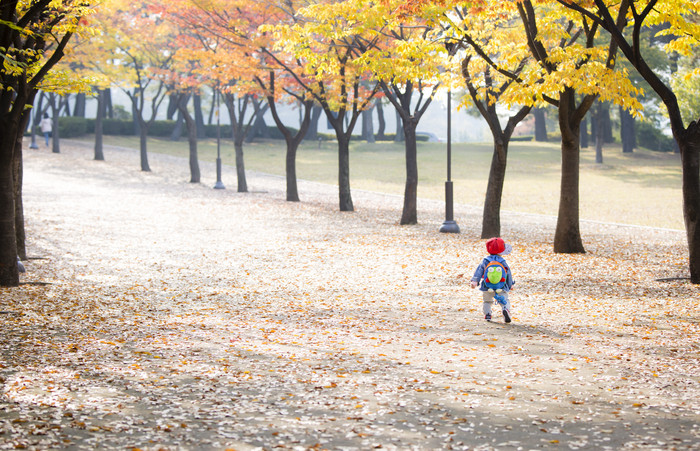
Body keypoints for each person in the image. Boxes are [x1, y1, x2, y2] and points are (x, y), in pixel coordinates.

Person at [470, 237, 515, 323]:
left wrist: (475, 281)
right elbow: (508, 273)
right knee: (504, 300)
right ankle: (505, 309)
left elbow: (479, 271)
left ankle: (487, 314)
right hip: (501, 286)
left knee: (487, 301)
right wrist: (510, 285)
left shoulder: (485, 261)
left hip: (487, 286)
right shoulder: (502, 261)